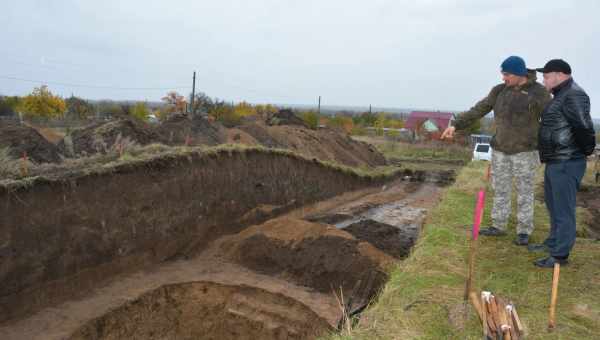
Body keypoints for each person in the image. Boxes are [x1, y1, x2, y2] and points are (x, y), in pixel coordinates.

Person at [441, 56, 551, 245]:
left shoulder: (539, 93)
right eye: (502, 74)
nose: (503, 78)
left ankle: (524, 230)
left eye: (506, 74)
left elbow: (552, 118)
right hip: (500, 149)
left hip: (526, 151)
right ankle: (498, 225)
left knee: (525, 191)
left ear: (518, 73)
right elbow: (479, 109)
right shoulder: (499, 91)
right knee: (500, 189)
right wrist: (456, 125)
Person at [529, 59, 596, 268]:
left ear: (559, 75)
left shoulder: (574, 95)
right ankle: (553, 242)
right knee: (554, 205)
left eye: (546, 76)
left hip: (567, 161)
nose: (543, 80)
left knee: (563, 209)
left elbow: (584, 127)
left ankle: (560, 255)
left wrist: (585, 151)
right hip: (557, 160)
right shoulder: (561, 95)